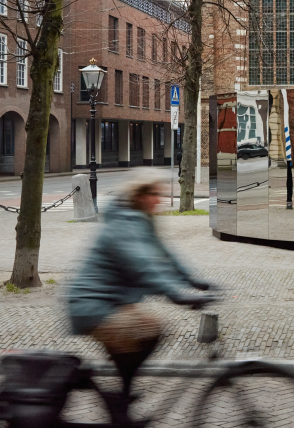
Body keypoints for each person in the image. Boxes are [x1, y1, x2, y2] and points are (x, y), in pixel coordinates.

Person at [67, 168, 215, 425]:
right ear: (140, 195)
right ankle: (120, 400)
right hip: (92, 306)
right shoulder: (123, 225)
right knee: (149, 328)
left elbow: (167, 256)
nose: (159, 200)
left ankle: (121, 397)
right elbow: (145, 268)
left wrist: (196, 282)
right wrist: (178, 295)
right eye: (155, 194)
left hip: (111, 303)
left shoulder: (141, 220)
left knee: (145, 330)